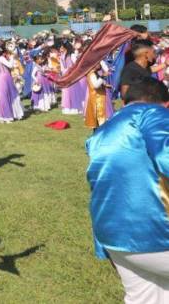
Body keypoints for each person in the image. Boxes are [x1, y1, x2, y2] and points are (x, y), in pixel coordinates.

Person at [86, 77, 169, 303]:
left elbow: (98, 185)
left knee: (146, 298)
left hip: (113, 235)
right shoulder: (153, 113)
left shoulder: (102, 132)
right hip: (155, 234)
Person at [84, 61, 115, 130]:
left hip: (99, 99)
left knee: (100, 121)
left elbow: (98, 83)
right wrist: (103, 76)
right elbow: (95, 85)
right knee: (99, 121)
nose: (100, 65)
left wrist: (105, 85)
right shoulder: (91, 74)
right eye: (98, 63)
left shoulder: (95, 73)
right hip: (96, 100)